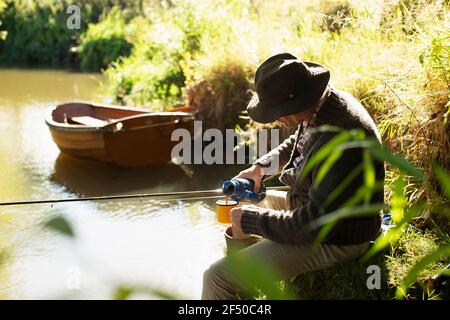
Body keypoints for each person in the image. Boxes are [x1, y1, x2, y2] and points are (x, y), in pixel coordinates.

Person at [202, 53, 385, 300]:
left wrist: (253, 221)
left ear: (297, 102)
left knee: (215, 276)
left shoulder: (340, 137)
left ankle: (230, 282)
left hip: (341, 237)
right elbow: (297, 144)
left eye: (277, 112)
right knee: (242, 203)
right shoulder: (323, 106)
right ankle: (242, 291)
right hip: (314, 209)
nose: (275, 119)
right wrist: (260, 169)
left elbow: (313, 225)